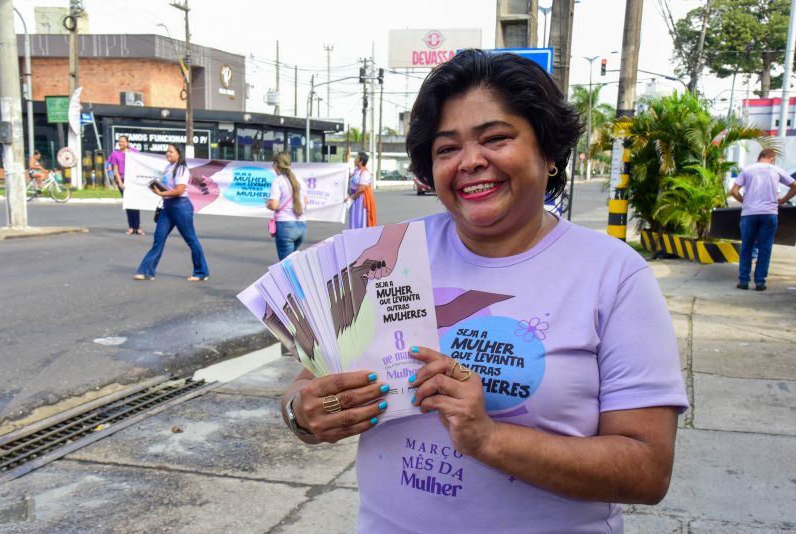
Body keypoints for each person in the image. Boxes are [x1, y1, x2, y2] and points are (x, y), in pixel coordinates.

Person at [280, 50, 688, 533]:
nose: (471, 161)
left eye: (496, 138)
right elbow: (306, 389)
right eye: (447, 148)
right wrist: (304, 416)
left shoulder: (612, 275)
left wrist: (489, 438)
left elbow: (647, 470)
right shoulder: (383, 255)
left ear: (548, 152)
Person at [134, 144, 209, 282]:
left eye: (171, 151)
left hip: (181, 206)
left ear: (179, 154)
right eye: (167, 151)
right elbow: (169, 188)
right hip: (168, 206)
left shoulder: (181, 168)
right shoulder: (168, 167)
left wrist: (162, 192)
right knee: (159, 238)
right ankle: (147, 271)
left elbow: (179, 190)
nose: (167, 153)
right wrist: (158, 190)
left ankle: (201, 272)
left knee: (191, 240)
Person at [731, 148, 796, 291]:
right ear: (772, 158)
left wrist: (744, 202)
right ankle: (760, 282)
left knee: (747, 248)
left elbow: (734, 191)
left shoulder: (748, 170)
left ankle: (743, 281)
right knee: (764, 248)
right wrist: (782, 201)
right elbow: (794, 186)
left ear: (760, 157)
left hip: (749, 214)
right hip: (769, 214)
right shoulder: (776, 170)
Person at [266, 151, 308, 260]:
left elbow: (274, 205)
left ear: (276, 165)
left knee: (285, 266)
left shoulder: (278, 181)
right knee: (292, 262)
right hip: (301, 225)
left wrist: (268, 203)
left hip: (285, 226)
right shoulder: (299, 180)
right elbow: (305, 203)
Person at [108, 135, 144, 235]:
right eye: (119, 141)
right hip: (122, 180)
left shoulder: (134, 152)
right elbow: (115, 170)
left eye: (123, 141)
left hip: (133, 180)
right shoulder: (115, 154)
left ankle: (138, 227)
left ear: (127, 142)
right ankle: (131, 227)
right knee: (128, 203)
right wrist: (120, 183)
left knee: (135, 203)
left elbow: (140, 165)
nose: (121, 143)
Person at [347, 151, 377, 228]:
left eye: (356, 158)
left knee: (360, 218)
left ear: (360, 161)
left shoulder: (365, 173)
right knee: (354, 218)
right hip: (354, 197)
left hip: (361, 200)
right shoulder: (356, 171)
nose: (354, 159)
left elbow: (361, 189)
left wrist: (352, 198)